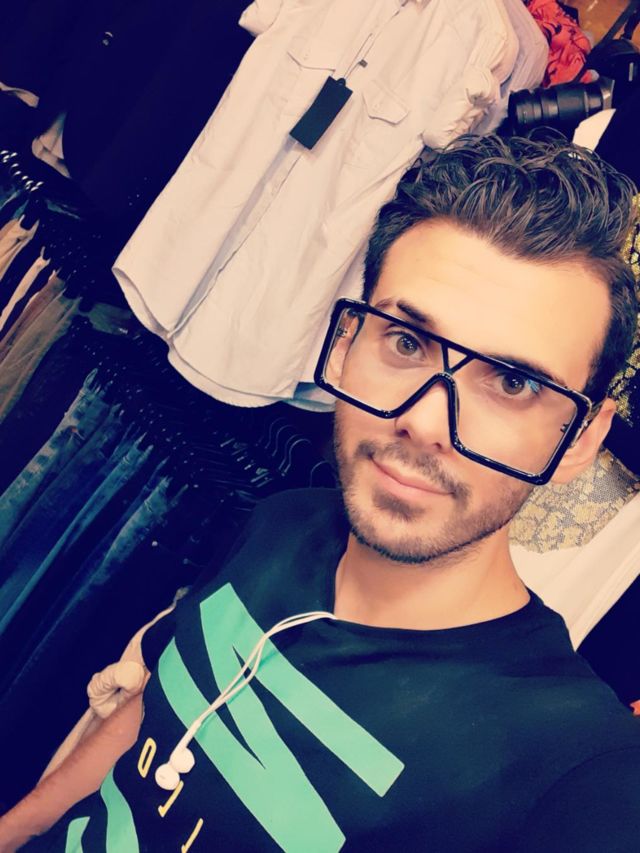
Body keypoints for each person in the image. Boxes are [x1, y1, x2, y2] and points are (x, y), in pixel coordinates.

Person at [2, 134, 640, 852]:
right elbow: (158, 706)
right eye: (405, 342)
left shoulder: (574, 775)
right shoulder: (280, 521)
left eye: (513, 382)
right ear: (347, 341)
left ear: (580, 439)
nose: (424, 422)